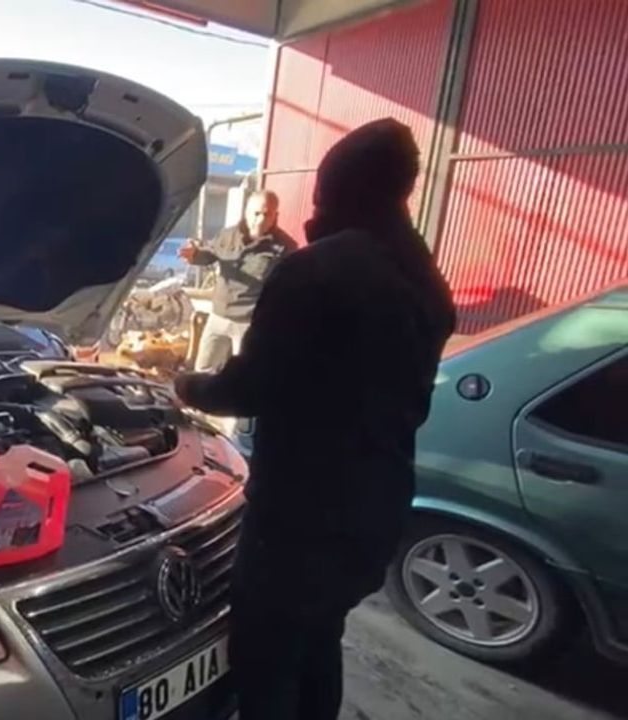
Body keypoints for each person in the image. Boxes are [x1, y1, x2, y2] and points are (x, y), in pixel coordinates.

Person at [174, 119, 456, 720]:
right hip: (378, 505)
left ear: (336, 187)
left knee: (267, 663)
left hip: (301, 518)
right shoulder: (422, 276)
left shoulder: (317, 269)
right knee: (319, 641)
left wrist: (185, 385)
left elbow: (249, 387)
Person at [179, 191, 296, 373]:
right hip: (219, 316)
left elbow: (288, 288)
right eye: (256, 213)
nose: (260, 220)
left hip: (249, 324)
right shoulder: (228, 235)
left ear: (275, 216)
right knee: (203, 370)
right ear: (246, 212)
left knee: (242, 376)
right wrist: (194, 255)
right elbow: (209, 254)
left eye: (267, 214)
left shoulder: (285, 247)